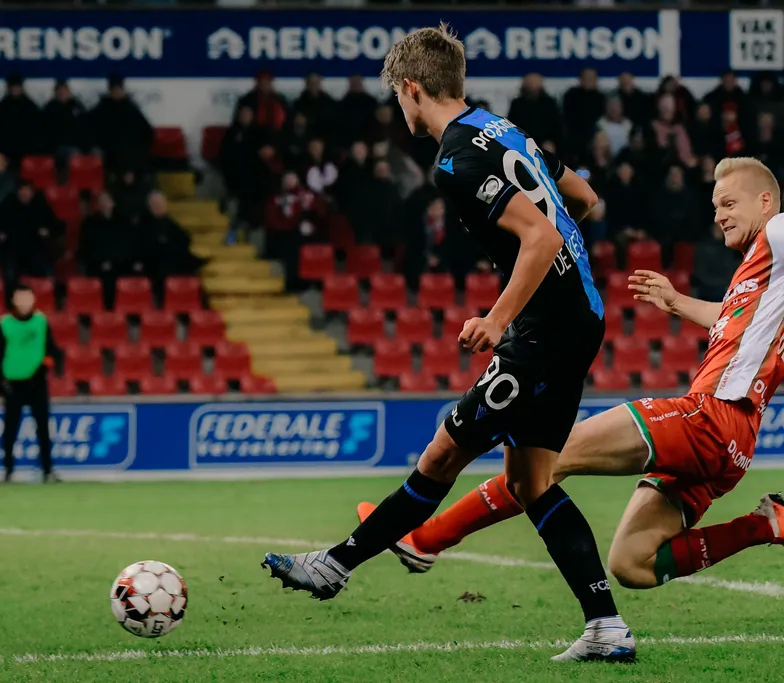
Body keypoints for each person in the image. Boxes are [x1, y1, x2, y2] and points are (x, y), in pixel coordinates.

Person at [361, 157, 784, 609]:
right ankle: (763, 525)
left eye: (729, 203)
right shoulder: (765, 275)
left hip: (710, 416)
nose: (718, 215)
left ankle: (426, 538)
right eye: (715, 205)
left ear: (766, 202)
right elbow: (732, 320)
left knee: (546, 458)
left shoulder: (783, 229)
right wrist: (675, 302)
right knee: (633, 565)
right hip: (733, 447)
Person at [262, 23, 635, 664]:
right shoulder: (504, 127)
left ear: (412, 89)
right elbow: (584, 196)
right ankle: (605, 625)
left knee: (441, 455)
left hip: (542, 332)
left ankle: (336, 565)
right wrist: (558, 239)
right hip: (582, 318)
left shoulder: (455, 163)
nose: (400, 111)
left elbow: (540, 240)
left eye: (398, 98)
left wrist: (495, 318)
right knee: (531, 482)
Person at [1, 284, 61, 483]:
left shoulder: (41, 321)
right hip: (13, 384)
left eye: (28, 298)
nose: (24, 302)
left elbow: (52, 350)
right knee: (10, 429)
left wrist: (44, 367)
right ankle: (9, 471)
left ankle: (47, 470)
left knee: (43, 428)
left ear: (34, 299)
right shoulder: (5, 324)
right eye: (20, 298)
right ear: (13, 301)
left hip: (37, 383)